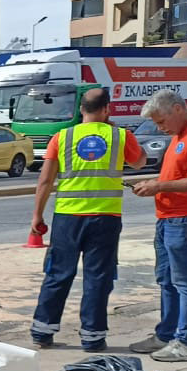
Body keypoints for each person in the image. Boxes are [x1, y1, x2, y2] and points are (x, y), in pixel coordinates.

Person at [28, 86, 145, 351]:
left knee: (58, 273)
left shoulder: (62, 137)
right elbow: (139, 162)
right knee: (98, 277)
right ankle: (93, 337)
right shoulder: (120, 136)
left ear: (81, 109)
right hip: (105, 217)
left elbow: (45, 180)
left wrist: (37, 215)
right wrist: (116, 132)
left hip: (67, 216)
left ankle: (42, 331)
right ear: (107, 109)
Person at [127, 88, 187, 361]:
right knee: (167, 280)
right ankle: (166, 334)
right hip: (168, 218)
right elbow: (178, 175)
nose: (160, 128)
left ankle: (186, 342)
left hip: (185, 219)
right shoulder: (181, 134)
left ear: (177, 109)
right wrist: (154, 184)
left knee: (185, 282)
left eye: (161, 121)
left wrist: (159, 186)